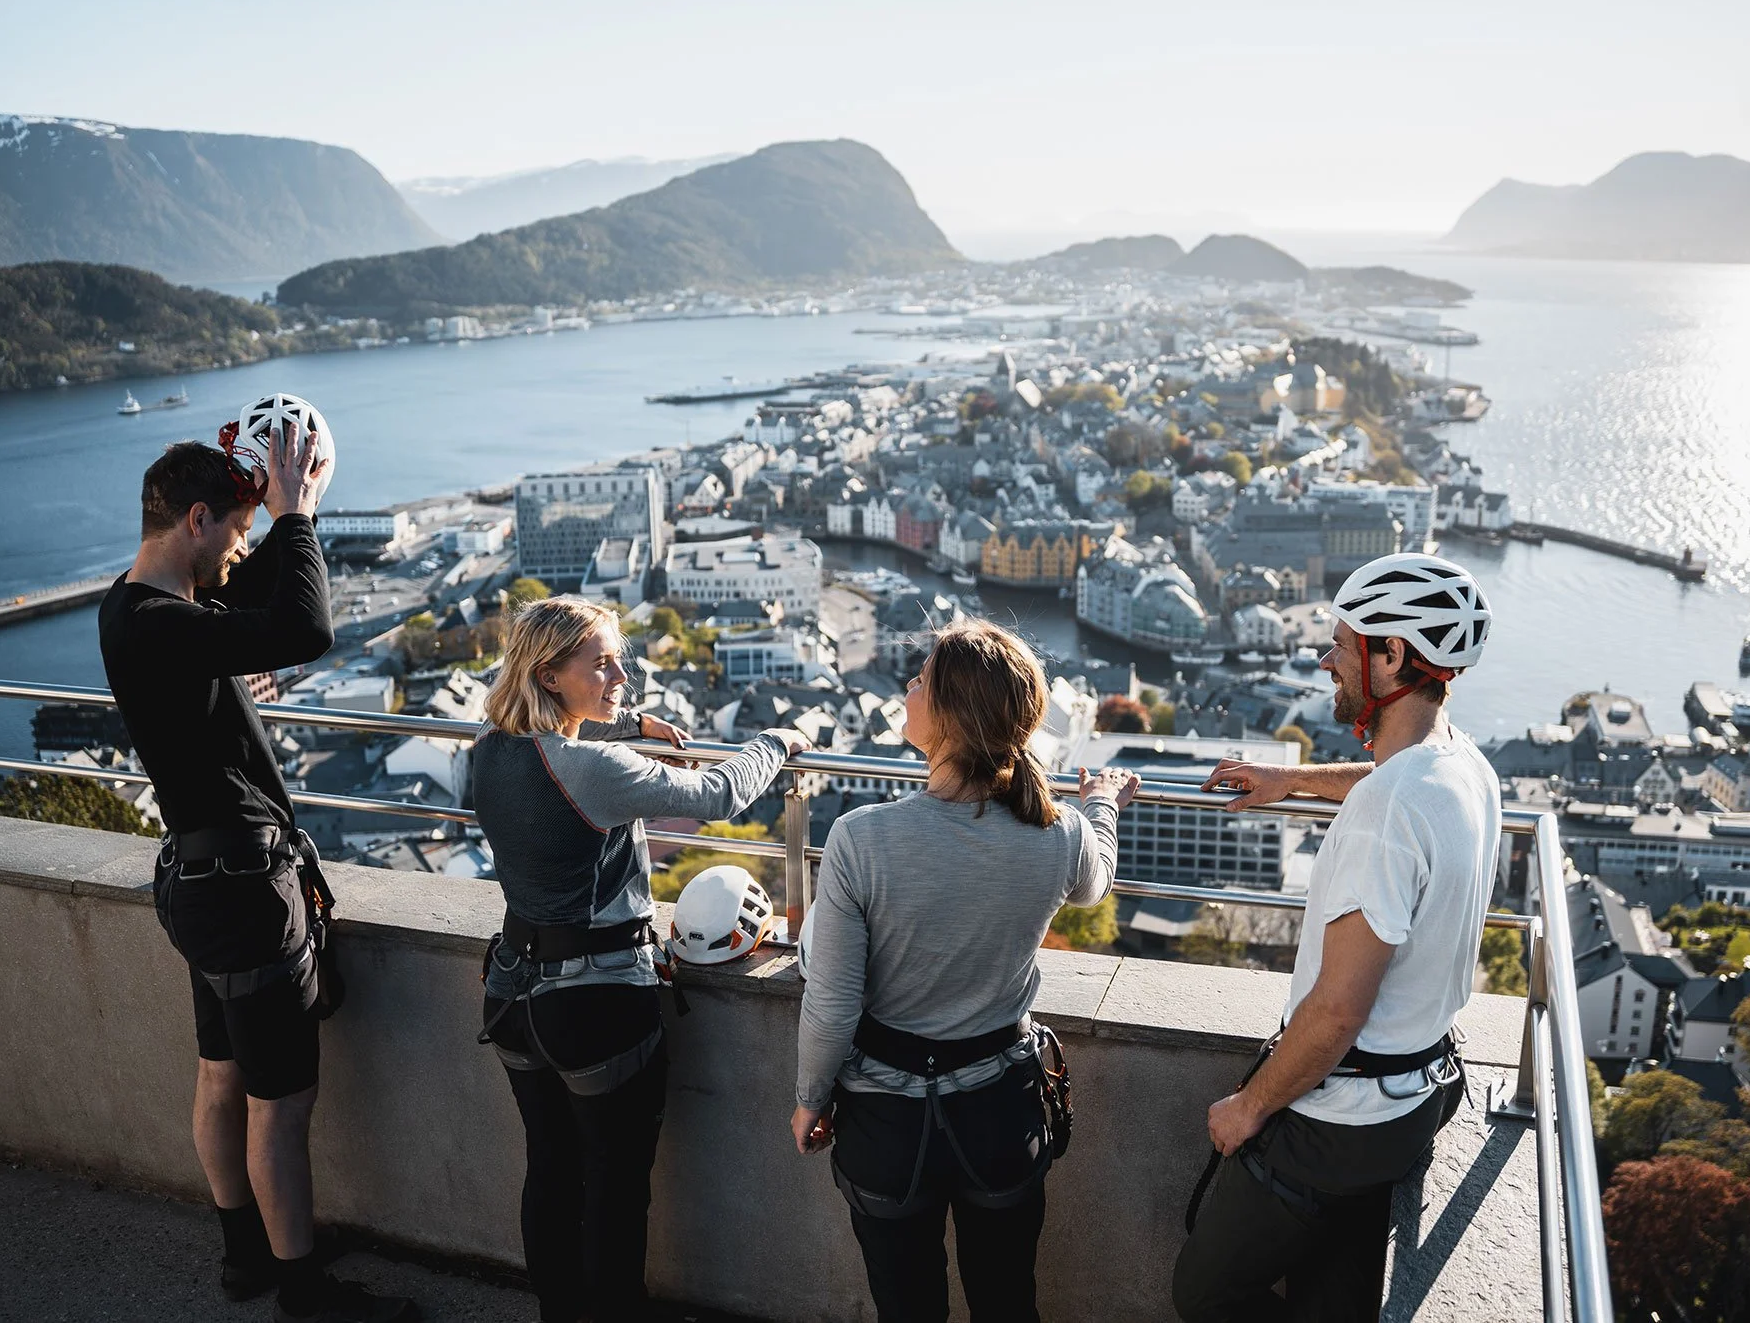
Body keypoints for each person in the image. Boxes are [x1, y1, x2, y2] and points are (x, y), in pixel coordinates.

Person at [100, 412, 416, 1322]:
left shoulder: (134, 607)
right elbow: (306, 628)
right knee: (282, 1099)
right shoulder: (168, 624)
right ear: (196, 519)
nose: (239, 552)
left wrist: (280, 512)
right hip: (241, 888)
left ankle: (248, 1252)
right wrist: (299, 514)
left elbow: (255, 615)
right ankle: (305, 1294)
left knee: (220, 1074)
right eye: (232, 533)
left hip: (201, 881)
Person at [1172, 553, 1499, 1323]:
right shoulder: (1462, 766)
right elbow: (1389, 780)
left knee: (1205, 1291)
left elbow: (1338, 1009)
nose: (1325, 658)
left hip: (1337, 1121)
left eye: (1343, 642)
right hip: (1413, 1102)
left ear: (1393, 655)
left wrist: (1248, 1107)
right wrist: (1292, 782)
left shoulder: (1390, 811)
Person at [471, 595, 810, 1323]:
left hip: (514, 990)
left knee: (551, 1169)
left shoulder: (491, 747)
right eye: (603, 663)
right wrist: (780, 741)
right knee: (614, 1183)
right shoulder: (592, 771)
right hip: (593, 1004)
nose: (623, 673)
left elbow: (551, 734)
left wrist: (627, 722)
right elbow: (718, 791)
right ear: (551, 674)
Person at [792, 617, 1139, 1323]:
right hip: (999, 1107)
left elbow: (833, 1000)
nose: (908, 689)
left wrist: (810, 1097)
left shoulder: (864, 837)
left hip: (889, 1119)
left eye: (919, 681)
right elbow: (1094, 881)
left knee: (907, 1305)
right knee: (1008, 1299)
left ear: (947, 715)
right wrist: (1099, 803)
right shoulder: (1057, 830)